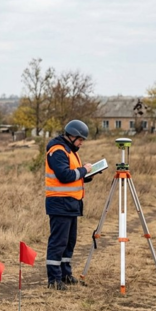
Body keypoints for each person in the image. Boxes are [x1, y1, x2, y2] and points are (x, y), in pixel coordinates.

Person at [44, 120, 97, 290]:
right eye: (80, 139)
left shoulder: (70, 150)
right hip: (60, 203)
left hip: (71, 203)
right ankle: (54, 279)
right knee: (58, 242)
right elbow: (65, 176)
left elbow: (72, 174)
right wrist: (84, 170)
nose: (81, 143)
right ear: (72, 135)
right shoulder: (57, 150)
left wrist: (86, 175)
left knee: (69, 242)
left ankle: (65, 274)